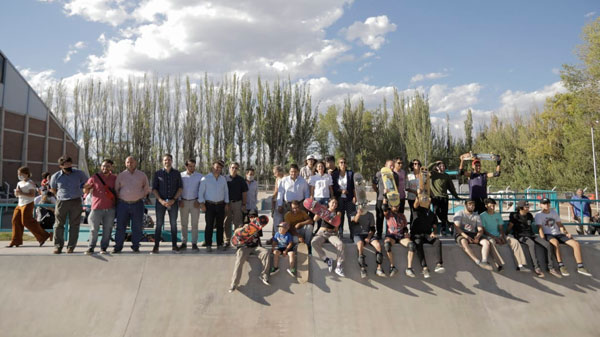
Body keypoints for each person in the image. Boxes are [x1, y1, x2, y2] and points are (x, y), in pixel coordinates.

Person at [535, 198, 592, 277]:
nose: (546, 205)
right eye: (544, 204)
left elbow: (560, 224)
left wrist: (566, 232)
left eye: (548, 203)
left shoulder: (553, 212)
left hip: (558, 233)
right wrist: (542, 238)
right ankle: (561, 265)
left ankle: (580, 266)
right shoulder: (539, 215)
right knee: (555, 243)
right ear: (541, 205)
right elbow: (540, 228)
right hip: (548, 234)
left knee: (575, 244)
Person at [49, 156, 88, 254]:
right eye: (65, 165)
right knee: (58, 225)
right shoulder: (56, 176)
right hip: (62, 202)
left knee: (74, 225)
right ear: (60, 166)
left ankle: (71, 247)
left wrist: (84, 189)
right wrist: (59, 196)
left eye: (69, 164)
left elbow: (86, 184)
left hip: (76, 201)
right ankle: (58, 246)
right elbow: (53, 189)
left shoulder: (79, 174)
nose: (68, 166)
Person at [507, 200, 555, 278]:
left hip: (531, 234)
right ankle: (536, 267)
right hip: (520, 235)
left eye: (528, 207)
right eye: (526, 207)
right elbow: (510, 226)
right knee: (531, 244)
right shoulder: (514, 215)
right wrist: (506, 235)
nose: (528, 208)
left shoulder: (529, 215)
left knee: (547, 244)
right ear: (521, 208)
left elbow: (530, 226)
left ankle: (550, 267)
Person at [114, 156, 150, 253]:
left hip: (137, 204)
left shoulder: (142, 175)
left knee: (137, 227)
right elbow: (116, 189)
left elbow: (146, 188)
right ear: (125, 163)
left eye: (132, 162)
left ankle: (135, 246)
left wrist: (140, 196)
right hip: (123, 205)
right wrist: (122, 198)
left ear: (136, 163)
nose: (130, 164)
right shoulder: (121, 175)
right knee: (120, 226)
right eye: (128, 162)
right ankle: (118, 247)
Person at [8, 167, 52, 248]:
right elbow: (17, 194)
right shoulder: (19, 183)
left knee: (26, 221)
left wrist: (21, 193)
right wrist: (17, 193)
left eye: (20, 174)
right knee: (15, 221)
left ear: (26, 174)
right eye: (18, 174)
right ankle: (15, 241)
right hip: (20, 204)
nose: (19, 175)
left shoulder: (30, 183)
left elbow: (32, 195)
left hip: (28, 204)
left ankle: (43, 236)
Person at [480, 198, 528, 272]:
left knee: (515, 242)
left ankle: (520, 265)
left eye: (493, 205)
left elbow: (501, 228)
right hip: (489, 236)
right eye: (490, 206)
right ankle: (499, 264)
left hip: (499, 235)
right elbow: (484, 230)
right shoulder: (482, 216)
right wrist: (495, 237)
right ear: (486, 206)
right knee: (492, 242)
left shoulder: (497, 214)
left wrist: (502, 236)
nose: (492, 207)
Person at [229, 211, 270, 292]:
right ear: (249, 217)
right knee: (239, 261)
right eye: (251, 217)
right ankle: (234, 283)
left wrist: (261, 246)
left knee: (266, 252)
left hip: (255, 247)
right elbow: (236, 231)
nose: (253, 218)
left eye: (254, 216)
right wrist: (243, 228)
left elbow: (258, 238)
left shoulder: (259, 227)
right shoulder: (244, 224)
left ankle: (264, 275)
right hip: (244, 247)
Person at [83, 159, 117, 255]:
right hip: (96, 208)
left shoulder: (114, 178)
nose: (104, 168)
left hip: (110, 208)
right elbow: (85, 191)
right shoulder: (94, 177)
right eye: (103, 166)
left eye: (107, 166)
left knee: (108, 229)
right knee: (94, 229)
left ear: (111, 167)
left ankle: (104, 248)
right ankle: (91, 247)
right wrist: (86, 188)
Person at [151, 153, 183, 254]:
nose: (167, 161)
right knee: (159, 224)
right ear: (162, 161)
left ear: (171, 161)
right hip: (161, 203)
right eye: (165, 160)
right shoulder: (158, 173)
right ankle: (156, 247)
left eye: (169, 160)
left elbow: (180, 188)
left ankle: (174, 246)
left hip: (173, 203)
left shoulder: (177, 173)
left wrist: (174, 199)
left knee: (173, 224)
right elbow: (154, 189)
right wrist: (161, 200)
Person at [453, 199, 495, 271]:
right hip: (461, 233)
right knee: (464, 242)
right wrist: (467, 237)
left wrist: (477, 237)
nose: (472, 206)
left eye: (473, 205)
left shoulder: (476, 215)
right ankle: (477, 261)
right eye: (469, 204)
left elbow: (480, 230)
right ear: (465, 205)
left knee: (486, 242)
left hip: (473, 233)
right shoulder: (459, 213)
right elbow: (457, 228)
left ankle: (484, 261)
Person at [198, 159, 229, 252]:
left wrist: (226, 203)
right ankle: (208, 244)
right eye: (216, 167)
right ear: (213, 167)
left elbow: (226, 192)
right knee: (209, 225)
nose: (218, 169)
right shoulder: (205, 178)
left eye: (220, 168)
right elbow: (200, 192)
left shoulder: (223, 179)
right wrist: (202, 204)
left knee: (220, 225)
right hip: (209, 205)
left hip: (220, 205)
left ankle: (220, 244)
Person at [410, 198, 445, 278]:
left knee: (437, 241)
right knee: (418, 242)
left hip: (427, 234)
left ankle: (439, 264)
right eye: (425, 199)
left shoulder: (432, 214)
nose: (427, 200)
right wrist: (419, 196)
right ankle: (424, 267)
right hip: (416, 234)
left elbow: (435, 226)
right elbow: (415, 204)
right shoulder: (417, 210)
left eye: (428, 199)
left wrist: (434, 232)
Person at [311, 199, 345, 277]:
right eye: (333, 202)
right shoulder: (324, 210)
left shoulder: (338, 213)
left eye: (336, 203)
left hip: (332, 233)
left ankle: (339, 266)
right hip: (322, 232)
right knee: (314, 242)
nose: (334, 204)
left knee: (340, 244)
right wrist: (320, 211)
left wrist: (336, 233)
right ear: (329, 203)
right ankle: (326, 259)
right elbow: (315, 219)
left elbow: (336, 226)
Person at [428, 160, 461, 236]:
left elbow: (451, 187)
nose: (442, 167)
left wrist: (456, 196)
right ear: (437, 167)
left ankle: (443, 230)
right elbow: (427, 168)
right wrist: (435, 162)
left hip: (444, 197)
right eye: (440, 166)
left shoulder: (446, 176)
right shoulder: (433, 174)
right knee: (436, 213)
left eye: (443, 166)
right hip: (435, 197)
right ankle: (447, 225)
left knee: (444, 214)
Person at [350, 205, 384, 278]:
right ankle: (362, 268)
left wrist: (369, 237)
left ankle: (379, 267)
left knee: (377, 245)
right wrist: (358, 214)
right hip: (357, 234)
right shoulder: (353, 213)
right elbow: (353, 223)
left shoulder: (370, 215)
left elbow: (372, 229)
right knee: (360, 244)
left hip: (367, 234)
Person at [383, 204, 415, 277]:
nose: (396, 208)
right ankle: (392, 266)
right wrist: (385, 196)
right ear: (391, 207)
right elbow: (384, 207)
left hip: (400, 236)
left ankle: (409, 268)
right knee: (387, 245)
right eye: (395, 206)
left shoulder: (402, 215)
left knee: (411, 245)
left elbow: (405, 227)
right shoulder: (388, 214)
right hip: (392, 235)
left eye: (397, 206)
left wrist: (406, 232)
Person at [179, 159, 203, 251]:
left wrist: (199, 200)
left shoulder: (199, 176)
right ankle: (184, 242)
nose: (192, 168)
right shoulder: (181, 176)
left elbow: (201, 190)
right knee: (183, 224)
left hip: (195, 203)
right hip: (183, 202)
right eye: (190, 166)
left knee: (194, 224)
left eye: (193, 166)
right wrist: (180, 200)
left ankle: (194, 243)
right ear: (186, 166)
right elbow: (179, 188)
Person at [224, 162, 248, 248]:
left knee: (238, 223)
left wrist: (244, 204)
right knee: (227, 222)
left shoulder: (241, 180)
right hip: (227, 203)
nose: (234, 169)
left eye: (236, 168)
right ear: (229, 168)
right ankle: (227, 240)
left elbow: (244, 193)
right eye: (232, 167)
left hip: (238, 203)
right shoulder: (224, 179)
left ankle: (238, 239)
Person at [331, 157, 356, 240]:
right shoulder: (334, 174)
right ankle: (340, 234)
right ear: (338, 164)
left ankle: (352, 234)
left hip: (349, 198)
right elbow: (333, 187)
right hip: (339, 199)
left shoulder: (350, 173)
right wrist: (341, 191)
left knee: (351, 216)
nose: (343, 164)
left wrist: (355, 197)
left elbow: (354, 186)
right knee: (340, 217)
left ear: (346, 164)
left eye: (344, 162)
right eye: (341, 162)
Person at [372, 159, 397, 238]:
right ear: (385, 166)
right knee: (380, 217)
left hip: (391, 199)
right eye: (390, 165)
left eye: (393, 165)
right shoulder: (379, 174)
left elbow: (397, 188)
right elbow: (374, 184)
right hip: (380, 198)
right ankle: (379, 234)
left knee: (390, 217)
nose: (392, 167)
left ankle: (389, 234)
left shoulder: (395, 175)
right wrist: (379, 192)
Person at [309, 161, 333, 232]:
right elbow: (312, 188)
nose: (320, 168)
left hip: (326, 198)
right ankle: (316, 230)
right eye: (319, 166)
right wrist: (311, 197)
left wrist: (332, 196)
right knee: (317, 215)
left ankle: (322, 230)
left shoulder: (328, 176)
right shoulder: (313, 177)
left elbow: (330, 188)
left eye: (322, 166)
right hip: (317, 198)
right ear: (316, 168)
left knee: (324, 215)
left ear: (324, 167)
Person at [271, 165, 286, 238]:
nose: (274, 174)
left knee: (284, 219)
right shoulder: (277, 179)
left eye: (275, 172)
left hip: (285, 201)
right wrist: (273, 198)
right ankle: (276, 236)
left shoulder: (286, 178)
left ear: (279, 171)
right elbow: (276, 190)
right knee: (276, 220)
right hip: (278, 200)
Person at [406, 159, 422, 224]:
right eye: (415, 164)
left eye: (418, 164)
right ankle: (412, 229)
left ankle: (419, 230)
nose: (417, 165)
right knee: (413, 213)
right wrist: (415, 192)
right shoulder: (409, 176)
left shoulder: (423, 175)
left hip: (421, 198)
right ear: (412, 166)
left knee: (420, 213)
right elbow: (406, 188)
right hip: (411, 198)